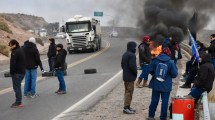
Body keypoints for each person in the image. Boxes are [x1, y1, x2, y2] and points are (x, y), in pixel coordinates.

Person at [147, 47, 178, 120]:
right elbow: (174, 74)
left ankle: (151, 116)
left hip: (156, 84)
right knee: (165, 102)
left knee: (154, 100)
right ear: (169, 53)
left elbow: (150, 70)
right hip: (166, 85)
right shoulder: (171, 62)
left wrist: (155, 75)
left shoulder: (155, 60)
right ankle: (162, 117)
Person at [121, 41, 137, 114]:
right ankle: (126, 108)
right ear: (132, 47)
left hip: (125, 76)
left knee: (127, 91)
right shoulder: (132, 55)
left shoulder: (125, 54)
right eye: (134, 47)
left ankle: (128, 106)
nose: (135, 48)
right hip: (130, 77)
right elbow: (132, 66)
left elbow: (122, 65)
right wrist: (135, 73)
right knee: (129, 92)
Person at [9, 39, 26, 108]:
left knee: (17, 88)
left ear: (14, 45)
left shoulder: (14, 52)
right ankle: (18, 101)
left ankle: (18, 102)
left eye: (11, 46)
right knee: (18, 87)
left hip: (16, 73)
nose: (10, 47)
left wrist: (11, 72)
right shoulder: (21, 50)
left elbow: (13, 64)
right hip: (22, 72)